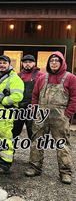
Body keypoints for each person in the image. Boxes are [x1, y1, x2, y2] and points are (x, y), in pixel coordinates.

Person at [25, 52, 76, 184]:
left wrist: (67, 114)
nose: (53, 63)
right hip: (41, 116)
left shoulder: (70, 78)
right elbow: (35, 96)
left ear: (62, 62)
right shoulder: (42, 78)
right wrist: (34, 110)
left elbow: (74, 98)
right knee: (37, 141)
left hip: (60, 118)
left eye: (56, 60)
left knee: (62, 144)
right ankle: (34, 167)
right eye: (51, 60)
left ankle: (65, 172)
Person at [12, 54, 44, 139]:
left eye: (30, 62)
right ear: (22, 64)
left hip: (32, 108)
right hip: (19, 108)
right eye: (25, 62)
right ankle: (9, 151)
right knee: (13, 131)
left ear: (34, 63)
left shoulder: (40, 75)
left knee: (33, 133)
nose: (27, 64)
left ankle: (34, 152)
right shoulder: (17, 75)